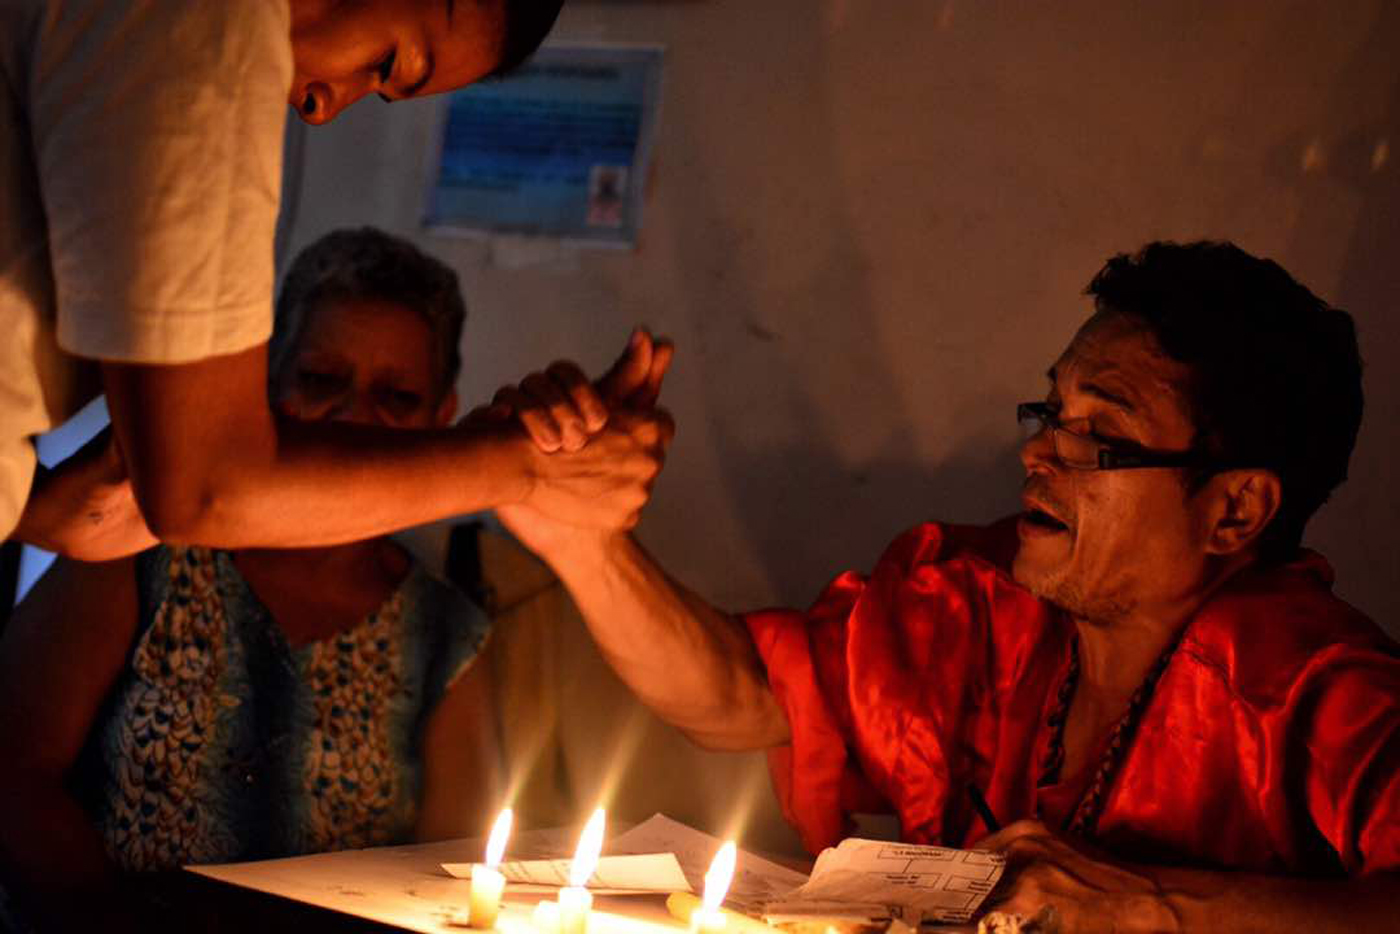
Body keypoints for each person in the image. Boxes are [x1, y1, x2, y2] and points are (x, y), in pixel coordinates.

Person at [487, 241, 1400, 932]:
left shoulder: (1315, 691)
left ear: (1234, 510)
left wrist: (1153, 905)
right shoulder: (980, 602)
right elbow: (745, 693)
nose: (1038, 452)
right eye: (1052, 411)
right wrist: (586, 546)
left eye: (1098, 435)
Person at [0, 227, 547, 931]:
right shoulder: (140, 548)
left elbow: (454, 874)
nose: (354, 417)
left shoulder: (444, 634)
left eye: (397, 397)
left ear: (441, 419)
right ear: (265, 388)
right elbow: (12, 773)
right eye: (322, 382)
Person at [2, 0, 675, 563]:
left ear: (443, 407)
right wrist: (524, 468)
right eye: (388, 62)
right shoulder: (209, 22)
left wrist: (46, 505)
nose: (320, 108)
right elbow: (209, 489)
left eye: (398, 398)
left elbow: (160, 497)